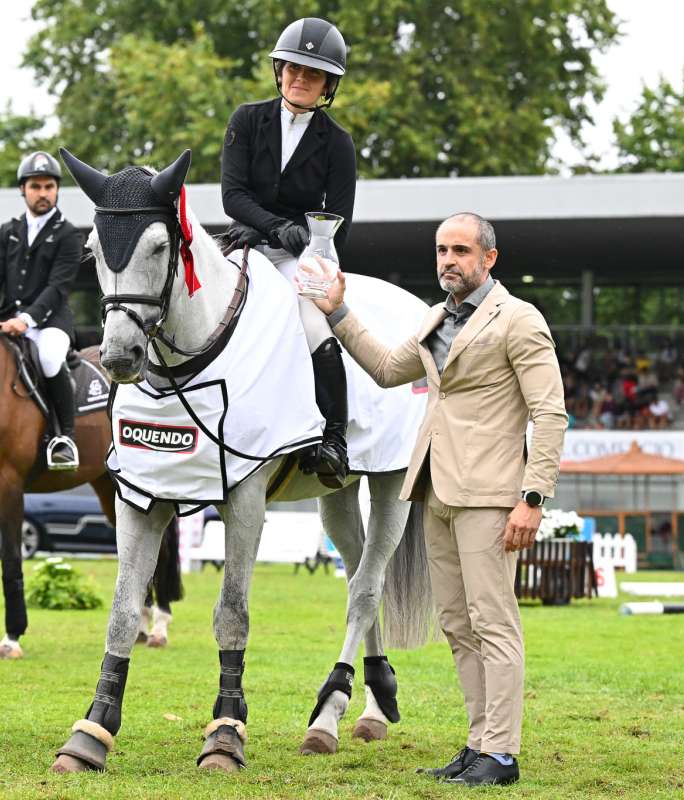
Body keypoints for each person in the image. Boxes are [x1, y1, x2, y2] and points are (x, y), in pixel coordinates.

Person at [307, 212, 568, 786]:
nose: (448, 260)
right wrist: (338, 311)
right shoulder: (435, 319)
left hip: (493, 496)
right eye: (441, 250)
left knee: (494, 624)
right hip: (435, 491)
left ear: (488, 259)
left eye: (460, 250)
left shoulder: (519, 320)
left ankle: (501, 753)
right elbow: (382, 368)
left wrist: (533, 497)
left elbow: (550, 413)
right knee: (456, 624)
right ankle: (478, 746)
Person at [220, 16, 357, 488]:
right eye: (294, 68)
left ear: (327, 85)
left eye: (313, 73)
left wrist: (309, 240)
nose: (301, 78)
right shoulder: (246, 119)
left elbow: (339, 216)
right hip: (248, 239)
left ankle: (335, 438)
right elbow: (233, 196)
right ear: (279, 70)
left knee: (314, 321)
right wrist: (278, 228)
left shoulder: (337, 143)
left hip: (304, 253)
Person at [0, 151, 83, 469]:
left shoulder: (68, 235)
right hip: (6, 318)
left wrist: (26, 321)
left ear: (56, 190)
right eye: (36, 187)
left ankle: (62, 436)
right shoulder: (7, 231)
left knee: (50, 358)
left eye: (49, 187)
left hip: (50, 321)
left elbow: (58, 287)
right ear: (23, 190)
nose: (43, 193)